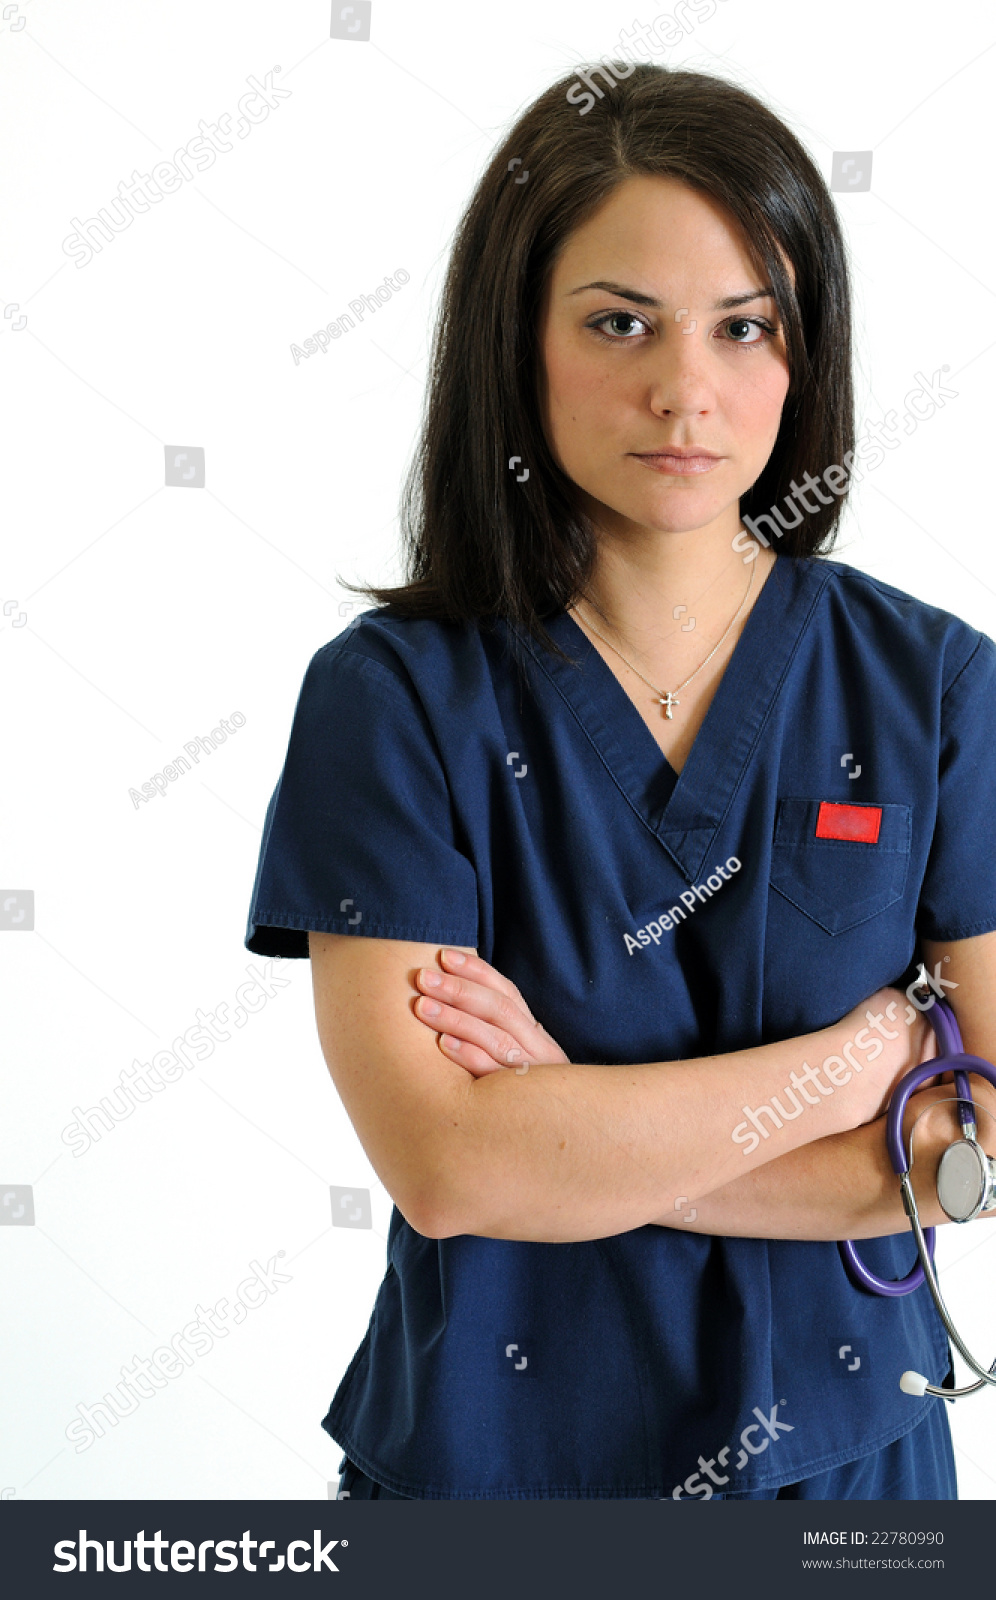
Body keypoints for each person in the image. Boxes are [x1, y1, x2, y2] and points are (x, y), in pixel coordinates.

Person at [244, 62, 996, 1500]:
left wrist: (568, 1126)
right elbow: (452, 1171)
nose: (685, 391)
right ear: (515, 340)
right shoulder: (394, 701)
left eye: (744, 329)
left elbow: (990, 1142)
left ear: (808, 352)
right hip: (498, 1483)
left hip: (849, 1489)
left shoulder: (938, 691)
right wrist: (852, 1070)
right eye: (619, 323)